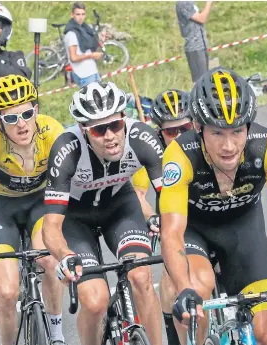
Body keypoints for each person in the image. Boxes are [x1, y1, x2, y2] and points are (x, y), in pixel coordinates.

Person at [160, 67, 267, 345]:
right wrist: (183, 288)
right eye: (217, 134)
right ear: (198, 128)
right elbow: (172, 232)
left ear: (248, 127)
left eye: (237, 131)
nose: (229, 145)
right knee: (198, 289)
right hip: (194, 231)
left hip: (243, 231)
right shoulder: (180, 154)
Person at [42, 81, 164, 345]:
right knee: (94, 301)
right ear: (85, 132)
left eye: (115, 125)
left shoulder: (143, 139)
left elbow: (171, 200)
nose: (110, 135)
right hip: (75, 219)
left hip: (119, 207)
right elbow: (50, 225)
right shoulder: (66, 150)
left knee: (141, 276)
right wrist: (64, 256)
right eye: (99, 129)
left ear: (124, 119)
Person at [0, 75, 67, 345]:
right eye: (11, 118)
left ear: (36, 110)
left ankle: (57, 335)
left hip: (40, 202)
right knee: (8, 291)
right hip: (2, 209)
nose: (21, 123)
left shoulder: (51, 130)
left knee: (48, 260)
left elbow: (73, 179)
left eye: (26, 113)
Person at [130, 89, 193, 345]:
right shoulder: (156, 154)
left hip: (205, 216)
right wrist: (152, 216)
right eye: (170, 132)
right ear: (159, 132)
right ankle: (171, 329)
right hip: (171, 218)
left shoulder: (206, 143)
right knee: (171, 279)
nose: (178, 136)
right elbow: (138, 193)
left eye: (185, 128)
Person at [64, 2, 103, 87]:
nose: (80, 17)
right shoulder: (72, 34)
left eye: (83, 14)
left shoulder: (84, 29)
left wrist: (101, 41)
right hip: (84, 75)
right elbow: (73, 57)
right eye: (78, 14)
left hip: (92, 70)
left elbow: (90, 48)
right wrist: (91, 55)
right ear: (72, 15)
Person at [176, 1, 213, 83]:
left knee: (206, 79)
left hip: (201, 44)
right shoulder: (183, 3)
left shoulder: (190, 2)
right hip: (194, 47)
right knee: (201, 82)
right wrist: (209, 3)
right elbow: (201, 19)